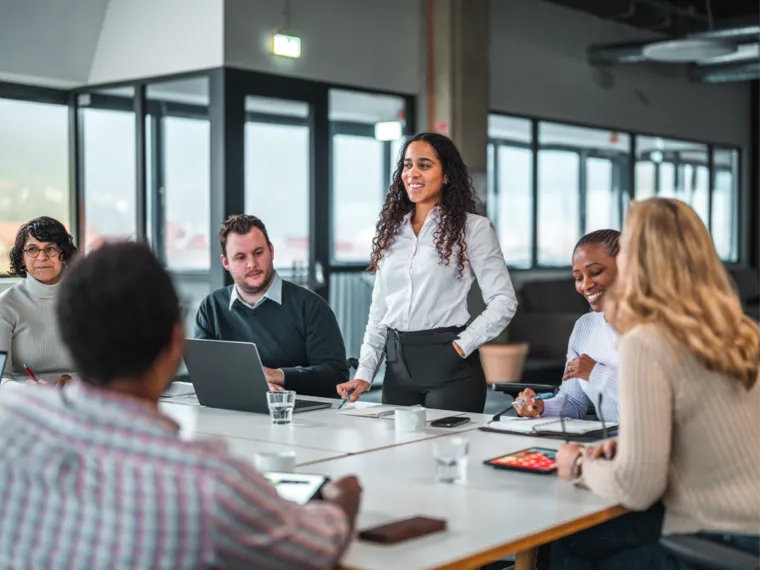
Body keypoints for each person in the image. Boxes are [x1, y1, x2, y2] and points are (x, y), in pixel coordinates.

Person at [0, 241, 362, 569]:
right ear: (176, 344)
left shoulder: (10, 422)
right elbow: (316, 548)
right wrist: (342, 497)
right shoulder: (208, 484)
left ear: (68, 334)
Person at [552, 198, 760, 568]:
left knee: (566, 543)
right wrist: (627, 443)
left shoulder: (646, 340)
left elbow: (637, 488)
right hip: (749, 527)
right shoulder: (742, 330)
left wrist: (580, 465)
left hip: (714, 533)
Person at [336, 133, 517, 413]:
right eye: (407, 165)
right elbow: (380, 313)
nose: (412, 173)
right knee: (398, 455)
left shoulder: (473, 229)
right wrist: (364, 373)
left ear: (446, 176)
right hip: (398, 371)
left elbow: (504, 300)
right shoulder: (392, 233)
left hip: (450, 367)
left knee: (446, 455)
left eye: (424, 165)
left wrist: (461, 347)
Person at [195, 215, 348, 398]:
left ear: (271, 251)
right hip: (231, 413)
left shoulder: (311, 306)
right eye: (240, 257)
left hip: (299, 417)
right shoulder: (211, 307)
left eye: (258, 253)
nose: (252, 264)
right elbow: (205, 373)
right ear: (226, 263)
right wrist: (257, 384)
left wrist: (278, 376)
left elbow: (336, 375)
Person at [514, 229, 621, 422]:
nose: (585, 285)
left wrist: (595, 373)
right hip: (608, 444)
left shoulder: (653, 326)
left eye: (595, 272)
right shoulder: (584, 326)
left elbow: (656, 398)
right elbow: (574, 402)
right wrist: (541, 407)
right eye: (578, 278)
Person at [0, 216, 78, 388]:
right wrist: (29, 389)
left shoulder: (85, 301)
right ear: (22, 257)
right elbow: (0, 379)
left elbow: (104, 369)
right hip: (24, 403)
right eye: (32, 249)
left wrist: (73, 381)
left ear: (63, 254)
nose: (42, 257)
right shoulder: (5, 305)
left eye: (51, 248)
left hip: (77, 400)